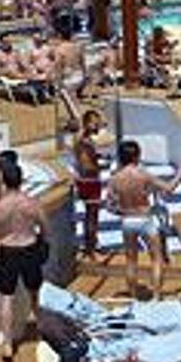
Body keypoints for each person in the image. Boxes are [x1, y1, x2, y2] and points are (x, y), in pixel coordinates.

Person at [106, 140, 181, 299]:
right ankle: (156, 296)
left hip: (128, 221)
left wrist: (122, 211)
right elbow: (169, 188)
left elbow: (109, 205)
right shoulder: (143, 174)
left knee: (131, 261)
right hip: (145, 219)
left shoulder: (115, 179)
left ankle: (133, 296)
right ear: (137, 156)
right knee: (156, 259)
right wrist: (180, 173)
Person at [0, 161, 49, 361]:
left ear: (3, 181)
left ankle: (8, 344)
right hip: (29, 248)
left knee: (7, 297)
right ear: (21, 180)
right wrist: (43, 245)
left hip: (9, 251)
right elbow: (45, 227)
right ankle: (43, 332)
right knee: (35, 294)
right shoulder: (31, 203)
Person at [74, 110, 105, 257]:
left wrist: (96, 157)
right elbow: (86, 166)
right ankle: (91, 248)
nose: (98, 126)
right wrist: (101, 166)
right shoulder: (84, 142)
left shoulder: (84, 140)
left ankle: (91, 245)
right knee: (92, 216)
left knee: (90, 215)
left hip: (86, 181)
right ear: (86, 123)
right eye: (95, 123)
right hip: (90, 182)